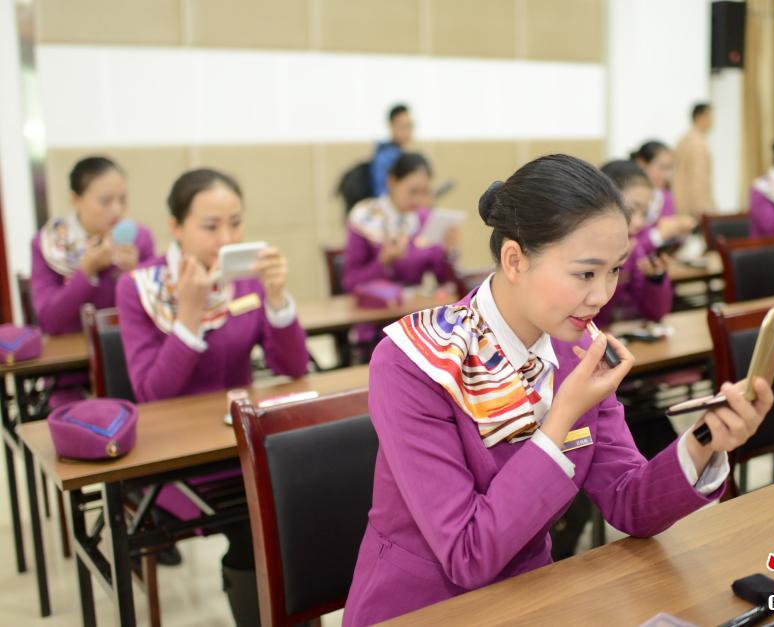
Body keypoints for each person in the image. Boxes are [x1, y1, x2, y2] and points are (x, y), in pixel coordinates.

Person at [342, 154, 774, 625]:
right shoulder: (417, 361)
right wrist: (561, 417)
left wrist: (706, 438)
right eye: (586, 273)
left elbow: (629, 502)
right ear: (514, 259)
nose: (602, 295)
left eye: (615, 271)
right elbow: (468, 554)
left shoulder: (576, 349)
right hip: (421, 609)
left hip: (536, 599)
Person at [116, 168, 309, 626]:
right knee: (258, 523)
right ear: (176, 227)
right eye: (210, 226)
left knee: (309, 505)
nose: (227, 238)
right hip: (179, 459)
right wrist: (188, 314)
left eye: (236, 223)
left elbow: (292, 368)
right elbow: (152, 393)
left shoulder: (246, 279)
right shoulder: (139, 289)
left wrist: (278, 297)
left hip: (242, 443)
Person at [31, 156, 155, 406]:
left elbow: (157, 313)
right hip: (72, 376)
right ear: (75, 199)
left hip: (131, 361)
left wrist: (133, 274)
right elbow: (50, 320)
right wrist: (86, 271)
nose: (117, 210)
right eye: (105, 201)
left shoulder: (138, 239)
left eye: (123, 199)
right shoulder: (50, 245)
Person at [343, 152, 458, 292]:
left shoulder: (423, 219)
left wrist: (448, 252)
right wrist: (383, 261)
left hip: (412, 310)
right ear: (391, 182)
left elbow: (444, 280)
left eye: (424, 192)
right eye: (413, 192)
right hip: (376, 311)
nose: (418, 200)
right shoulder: (365, 217)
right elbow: (351, 283)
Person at [595, 160, 673, 327]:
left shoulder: (634, 244)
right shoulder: (584, 250)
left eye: (644, 213)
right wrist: (613, 272)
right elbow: (593, 314)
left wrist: (655, 279)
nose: (639, 222)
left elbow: (656, 313)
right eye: (632, 209)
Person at [630, 141, 696, 250]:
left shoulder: (665, 197)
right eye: (663, 167)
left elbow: (669, 246)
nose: (668, 175)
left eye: (670, 168)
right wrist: (660, 234)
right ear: (641, 164)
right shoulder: (630, 198)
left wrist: (680, 231)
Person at [673, 102, 715, 217]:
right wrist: (703, 210)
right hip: (695, 208)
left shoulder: (683, 140)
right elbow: (698, 179)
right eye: (710, 116)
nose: (713, 121)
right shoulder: (697, 144)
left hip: (681, 205)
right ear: (699, 117)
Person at [370, 103, 414, 197]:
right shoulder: (384, 158)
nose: (408, 131)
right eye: (403, 126)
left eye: (410, 126)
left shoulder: (403, 155)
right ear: (392, 126)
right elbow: (381, 193)